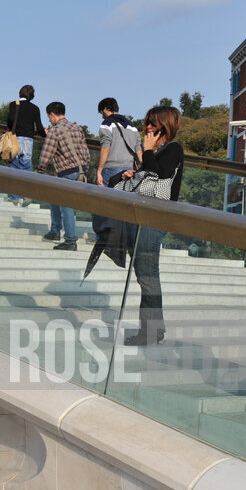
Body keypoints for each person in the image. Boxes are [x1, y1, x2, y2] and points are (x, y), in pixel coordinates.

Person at [118, 106, 184, 346]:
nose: (147, 127)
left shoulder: (173, 149)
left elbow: (159, 174)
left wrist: (146, 152)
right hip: (145, 218)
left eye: (153, 123)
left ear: (165, 126)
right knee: (146, 275)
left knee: (147, 276)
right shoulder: (158, 151)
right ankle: (153, 330)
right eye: (147, 122)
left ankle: (150, 332)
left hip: (154, 220)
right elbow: (149, 176)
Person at [36, 102, 89, 251]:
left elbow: (46, 154)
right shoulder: (77, 128)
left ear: (52, 114)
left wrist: (40, 171)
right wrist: (84, 170)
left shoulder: (55, 131)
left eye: (49, 117)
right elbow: (86, 152)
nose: (50, 120)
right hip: (80, 171)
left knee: (66, 206)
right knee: (54, 198)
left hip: (66, 172)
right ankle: (55, 230)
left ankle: (71, 240)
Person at [6, 85, 47, 206]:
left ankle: (14, 197)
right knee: (26, 167)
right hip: (28, 140)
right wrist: (46, 136)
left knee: (13, 166)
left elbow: (10, 119)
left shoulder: (14, 104)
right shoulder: (35, 108)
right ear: (32, 96)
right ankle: (27, 194)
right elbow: (39, 127)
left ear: (20, 93)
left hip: (16, 138)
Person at [96, 97, 142, 187]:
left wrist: (99, 171)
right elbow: (139, 151)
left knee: (104, 198)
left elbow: (106, 148)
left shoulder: (107, 124)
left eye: (101, 113)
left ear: (105, 109)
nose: (102, 116)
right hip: (129, 170)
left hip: (111, 169)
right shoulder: (132, 127)